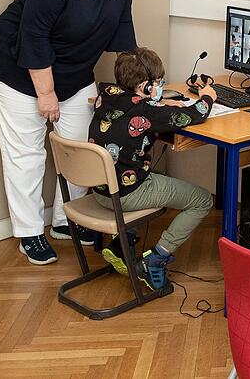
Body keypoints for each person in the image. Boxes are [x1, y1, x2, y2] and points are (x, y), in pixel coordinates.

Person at [0, 0, 147, 265]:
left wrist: (138, 76)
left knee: (78, 145)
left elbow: (122, 21)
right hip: (20, 67)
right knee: (26, 153)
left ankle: (64, 220)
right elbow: (34, 33)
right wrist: (45, 94)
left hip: (74, 69)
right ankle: (29, 232)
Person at [89, 48, 217, 290]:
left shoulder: (104, 97)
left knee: (156, 177)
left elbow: (138, 108)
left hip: (101, 188)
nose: (160, 86)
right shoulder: (147, 111)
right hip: (126, 194)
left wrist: (157, 102)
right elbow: (196, 114)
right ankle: (155, 260)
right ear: (146, 86)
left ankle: (121, 244)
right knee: (201, 200)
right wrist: (208, 96)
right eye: (158, 83)